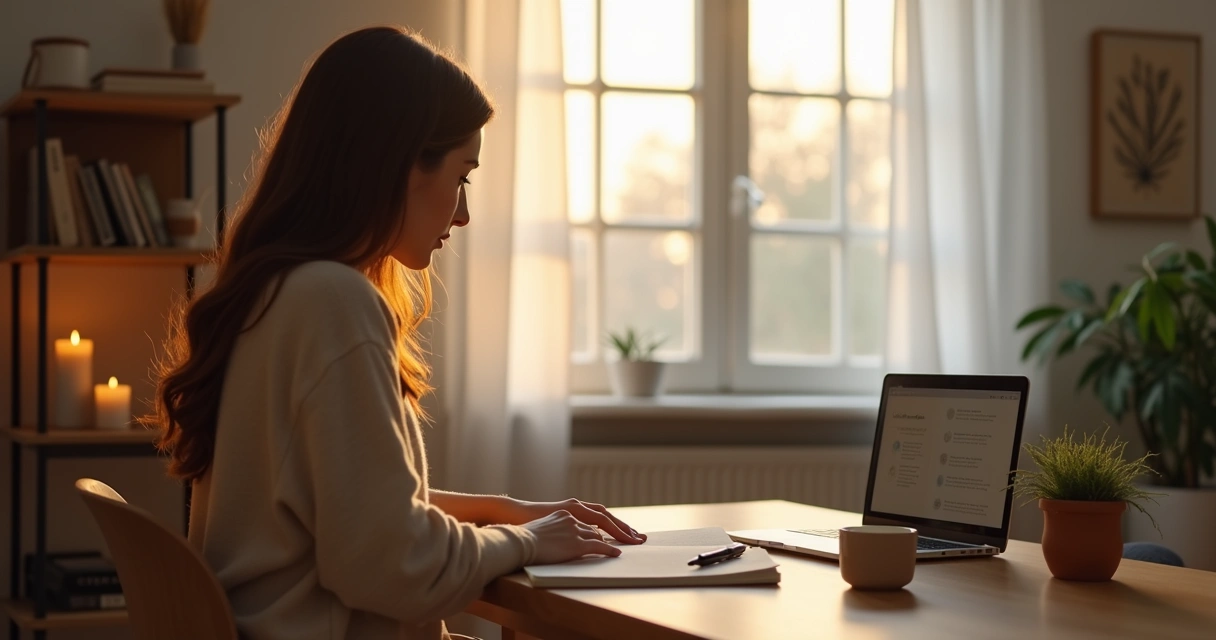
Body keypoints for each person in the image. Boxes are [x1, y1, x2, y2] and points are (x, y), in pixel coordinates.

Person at [146, 26, 645, 640]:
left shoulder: (274, 292)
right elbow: (390, 566)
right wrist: (523, 542)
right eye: (462, 176)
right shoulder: (332, 300)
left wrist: (503, 513)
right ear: (403, 164)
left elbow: (352, 515)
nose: (463, 213)